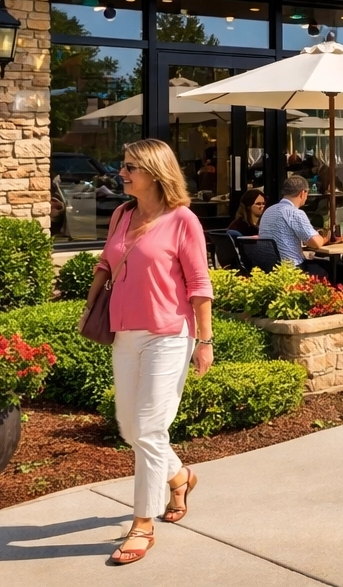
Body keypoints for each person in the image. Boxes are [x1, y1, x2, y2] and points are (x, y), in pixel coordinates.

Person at [79, 139, 213, 565]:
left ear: (155, 172)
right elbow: (107, 260)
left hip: (169, 334)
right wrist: (91, 301)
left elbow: (199, 285)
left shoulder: (183, 220)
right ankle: (179, 476)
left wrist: (205, 341)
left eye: (130, 166)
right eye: (123, 165)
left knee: (150, 430)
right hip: (124, 331)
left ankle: (142, 524)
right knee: (129, 428)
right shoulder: (122, 213)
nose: (122, 173)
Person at [258, 175, 337, 281]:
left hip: (269, 268)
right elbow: (316, 243)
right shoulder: (295, 213)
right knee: (340, 270)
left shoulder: (268, 211)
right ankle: (342, 297)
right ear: (303, 193)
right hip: (292, 269)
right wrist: (327, 237)